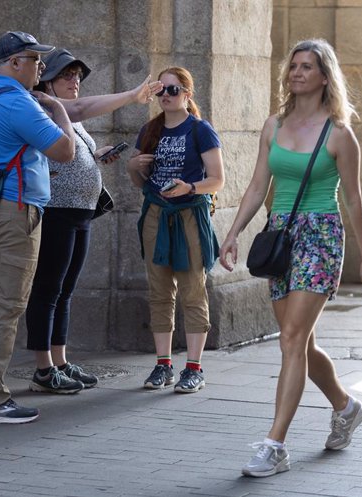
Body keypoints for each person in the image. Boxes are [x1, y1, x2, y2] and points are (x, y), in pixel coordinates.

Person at [0, 31, 160, 424]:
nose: (41, 68)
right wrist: (62, 113)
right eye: (35, 60)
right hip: (12, 212)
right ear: (15, 62)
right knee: (5, 305)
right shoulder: (18, 101)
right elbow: (64, 150)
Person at [218, 39, 362, 478]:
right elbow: (257, 187)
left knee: (290, 338)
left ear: (325, 76)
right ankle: (346, 407)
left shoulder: (340, 134)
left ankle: (275, 445)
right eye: (293, 66)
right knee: (301, 342)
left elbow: (354, 200)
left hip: (321, 235)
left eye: (307, 67)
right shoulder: (273, 125)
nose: (297, 73)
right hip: (280, 237)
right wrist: (232, 233)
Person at [24, 48, 162, 394]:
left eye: (77, 77)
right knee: (48, 289)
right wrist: (132, 95)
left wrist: (96, 155)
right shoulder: (44, 106)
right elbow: (80, 109)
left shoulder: (67, 113)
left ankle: (60, 361)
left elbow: (73, 140)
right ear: (47, 82)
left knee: (65, 290)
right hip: (57, 210)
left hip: (80, 210)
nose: (75, 82)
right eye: (66, 76)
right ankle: (43, 369)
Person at [126, 66, 224, 394]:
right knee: (158, 290)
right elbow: (141, 183)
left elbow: (217, 180)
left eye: (173, 89)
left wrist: (190, 187)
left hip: (189, 215)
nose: (166, 96)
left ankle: (194, 367)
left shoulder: (200, 130)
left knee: (193, 289)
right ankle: (163, 364)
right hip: (156, 212)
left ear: (187, 94)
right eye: (161, 91)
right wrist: (131, 168)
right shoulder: (150, 130)